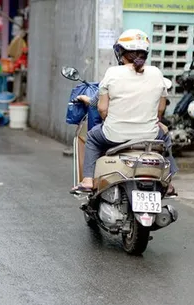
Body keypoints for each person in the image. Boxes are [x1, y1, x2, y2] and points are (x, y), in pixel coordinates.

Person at [71, 29, 178, 195]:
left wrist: (110, 120)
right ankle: (169, 182)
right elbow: (161, 109)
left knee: (92, 137)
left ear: (120, 52)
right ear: (145, 53)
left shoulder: (113, 73)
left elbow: (101, 108)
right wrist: (153, 120)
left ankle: (87, 180)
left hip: (114, 135)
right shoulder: (157, 73)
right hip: (149, 135)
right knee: (164, 134)